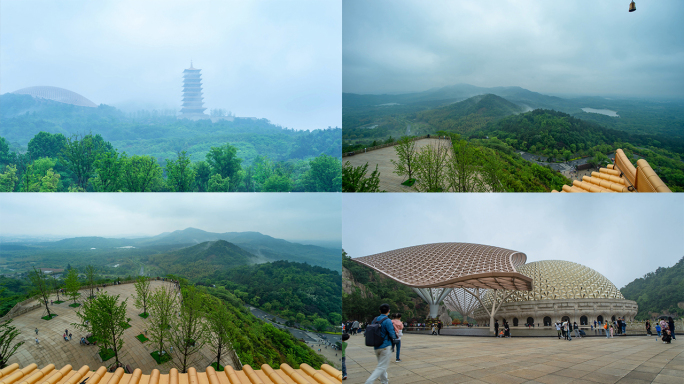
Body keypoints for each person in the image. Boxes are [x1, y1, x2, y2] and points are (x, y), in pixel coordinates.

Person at [365, 303, 396, 384]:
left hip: (376, 346)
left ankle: (384, 382)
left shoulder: (375, 319)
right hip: (385, 346)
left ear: (380, 311)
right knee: (381, 366)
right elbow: (392, 333)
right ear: (389, 311)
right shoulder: (387, 320)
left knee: (382, 366)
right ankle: (369, 382)